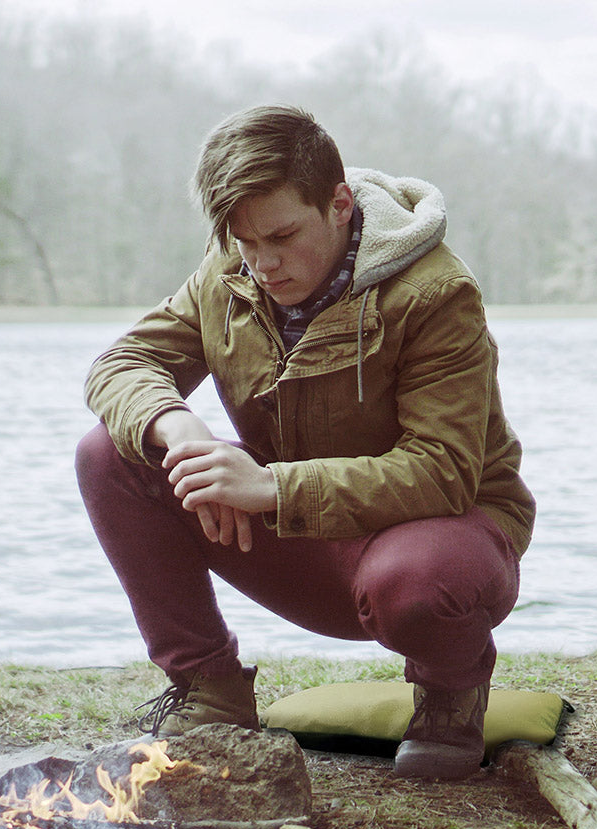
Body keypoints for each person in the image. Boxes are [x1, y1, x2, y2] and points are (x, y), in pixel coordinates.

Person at [75, 105, 534, 780]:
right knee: (110, 453)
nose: (263, 263)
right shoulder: (228, 271)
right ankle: (211, 690)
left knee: (416, 583)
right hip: (305, 534)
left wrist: (269, 487)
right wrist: (180, 431)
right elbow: (121, 366)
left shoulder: (437, 293)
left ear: (340, 204)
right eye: (244, 241)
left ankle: (449, 691)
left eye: (282, 236)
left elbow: (443, 473)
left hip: (436, 543)